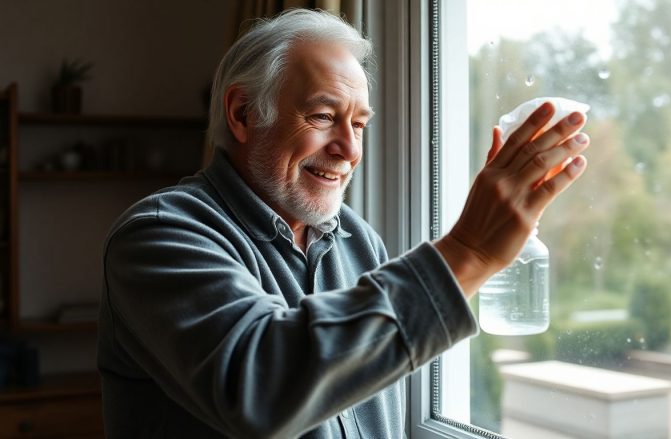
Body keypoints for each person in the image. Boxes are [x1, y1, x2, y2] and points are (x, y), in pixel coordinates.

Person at [97, 9, 589, 439]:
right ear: (243, 113)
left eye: (358, 124)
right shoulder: (158, 235)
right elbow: (260, 389)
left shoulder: (360, 241)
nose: (349, 150)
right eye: (323, 116)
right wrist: (469, 252)